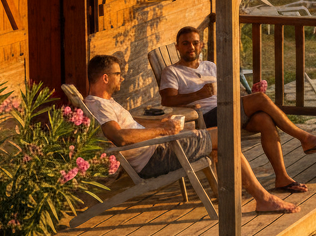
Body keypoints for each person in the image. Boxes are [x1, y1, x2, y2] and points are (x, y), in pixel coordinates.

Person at [83, 55, 299, 214]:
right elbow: (120, 137)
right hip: (154, 157)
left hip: (159, 147)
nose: (122, 78)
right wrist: (161, 131)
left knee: (218, 137)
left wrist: (160, 123)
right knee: (226, 138)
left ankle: (245, 194)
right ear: (104, 77)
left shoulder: (105, 102)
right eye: (118, 74)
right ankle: (263, 198)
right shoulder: (99, 106)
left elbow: (131, 123)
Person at [157, 26, 316, 194]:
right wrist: (198, 94)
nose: (191, 47)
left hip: (227, 111)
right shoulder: (172, 72)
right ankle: (304, 138)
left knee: (264, 119)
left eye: (195, 43)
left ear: (201, 45)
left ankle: (282, 178)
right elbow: (168, 100)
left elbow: (229, 90)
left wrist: (247, 95)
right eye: (186, 43)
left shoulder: (210, 66)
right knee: (260, 100)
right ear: (177, 47)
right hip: (205, 119)